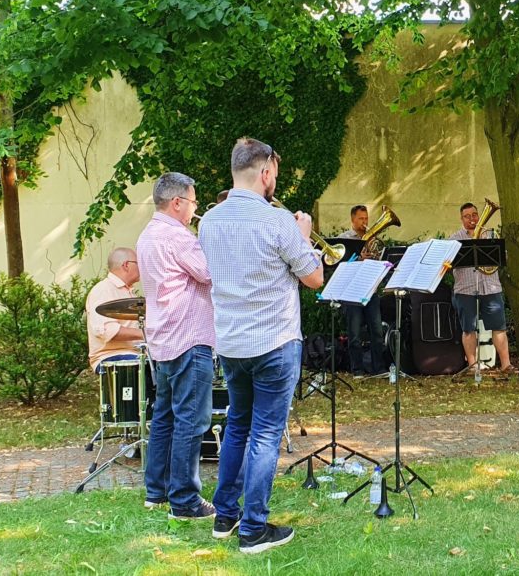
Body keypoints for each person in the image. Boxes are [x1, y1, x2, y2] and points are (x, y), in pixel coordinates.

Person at [199, 138, 324, 554]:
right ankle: (253, 529)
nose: (276, 181)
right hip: (274, 340)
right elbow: (314, 278)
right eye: (276, 174)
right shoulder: (279, 221)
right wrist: (303, 237)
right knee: (266, 433)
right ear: (266, 170)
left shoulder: (209, 221)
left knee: (238, 424)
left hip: (232, 342)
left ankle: (225, 515)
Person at [136, 172, 216, 517]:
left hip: (164, 337)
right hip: (188, 336)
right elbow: (210, 273)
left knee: (165, 417)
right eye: (194, 202)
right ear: (178, 202)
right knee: (192, 420)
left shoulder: (147, 234)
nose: (195, 209)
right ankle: (184, 500)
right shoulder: (179, 236)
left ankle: (157, 491)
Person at [449, 202, 514, 374]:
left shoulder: (490, 235)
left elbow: (502, 258)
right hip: (465, 288)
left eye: (474, 215)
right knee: (468, 329)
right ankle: (473, 365)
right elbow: (447, 262)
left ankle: (506, 364)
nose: (472, 219)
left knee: (499, 327)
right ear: (461, 219)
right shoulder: (454, 239)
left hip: (491, 287)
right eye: (467, 216)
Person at [338, 205, 388, 375]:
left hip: (371, 290)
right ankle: (357, 370)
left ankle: (378, 368)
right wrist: (359, 259)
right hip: (352, 291)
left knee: (377, 332)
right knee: (354, 334)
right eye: (361, 218)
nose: (365, 222)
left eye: (366, 218)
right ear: (352, 219)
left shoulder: (372, 239)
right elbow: (339, 264)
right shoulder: (344, 239)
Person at [85, 247, 144, 373]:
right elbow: (107, 331)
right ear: (126, 265)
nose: (142, 267)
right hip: (112, 356)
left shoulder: (129, 292)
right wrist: (146, 334)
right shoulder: (103, 290)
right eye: (139, 263)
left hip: (135, 354)